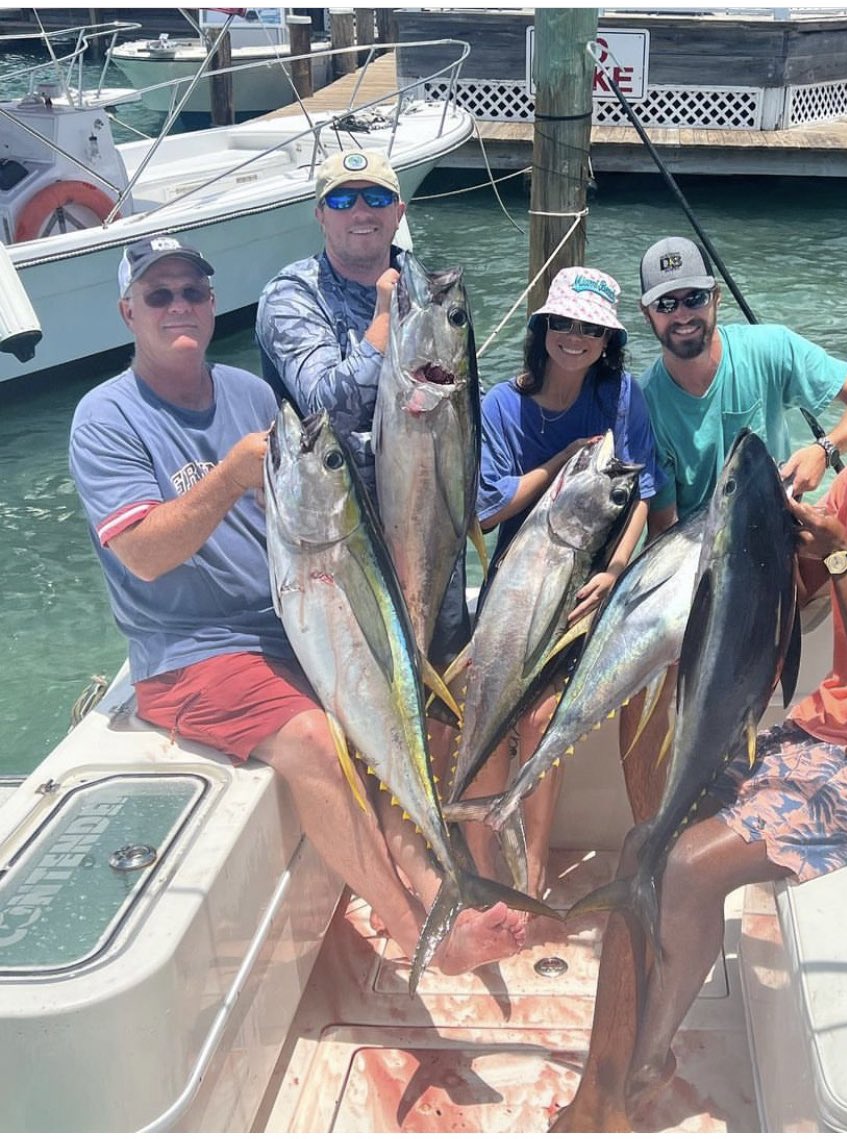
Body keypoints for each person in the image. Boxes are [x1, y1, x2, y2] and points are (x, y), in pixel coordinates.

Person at [553, 303, 847, 1130]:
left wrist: (841, 553)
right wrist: (756, 556)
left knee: (687, 865)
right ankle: (618, 1075)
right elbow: (796, 601)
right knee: (644, 840)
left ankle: (621, 1089)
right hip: (818, 735)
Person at [69, 234, 524, 980]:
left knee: (390, 733)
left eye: (193, 292)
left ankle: (448, 895)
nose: (179, 305)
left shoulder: (250, 395)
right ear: (128, 312)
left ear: (215, 305)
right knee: (316, 739)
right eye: (159, 295)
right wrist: (229, 476)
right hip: (190, 653)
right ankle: (426, 944)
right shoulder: (106, 417)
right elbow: (144, 554)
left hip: (294, 624)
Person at [619, 235, 847, 821]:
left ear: (714, 298)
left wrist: (824, 446)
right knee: (643, 698)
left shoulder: (769, 348)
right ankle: (650, 835)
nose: (683, 315)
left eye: (693, 298)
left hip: (778, 546)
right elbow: (663, 523)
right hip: (699, 563)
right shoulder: (643, 401)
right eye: (667, 304)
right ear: (648, 314)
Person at [464, 266, 665, 898]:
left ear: (608, 341)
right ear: (544, 327)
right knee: (484, 711)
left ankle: (534, 874)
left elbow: (640, 492)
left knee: (542, 716)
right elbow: (488, 509)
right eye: (565, 323)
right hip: (517, 581)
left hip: (586, 583)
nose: (575, 337)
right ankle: (482, 872)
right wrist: (560, 465)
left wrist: (614, 570)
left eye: (592, 329)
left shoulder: (622, 397)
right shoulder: (502, 404)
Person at [254, 148, 470, 673]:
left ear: (398, 212)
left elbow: (461, 410)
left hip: (432, 521)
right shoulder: (292, 295)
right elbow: (328, 405)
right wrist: (380, 323)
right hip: (338, 540)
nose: (361, 211)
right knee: (365, 686)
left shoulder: (428, 293)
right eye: (342, 199)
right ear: (320, 214)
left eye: (376, 198)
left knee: (443, 677)